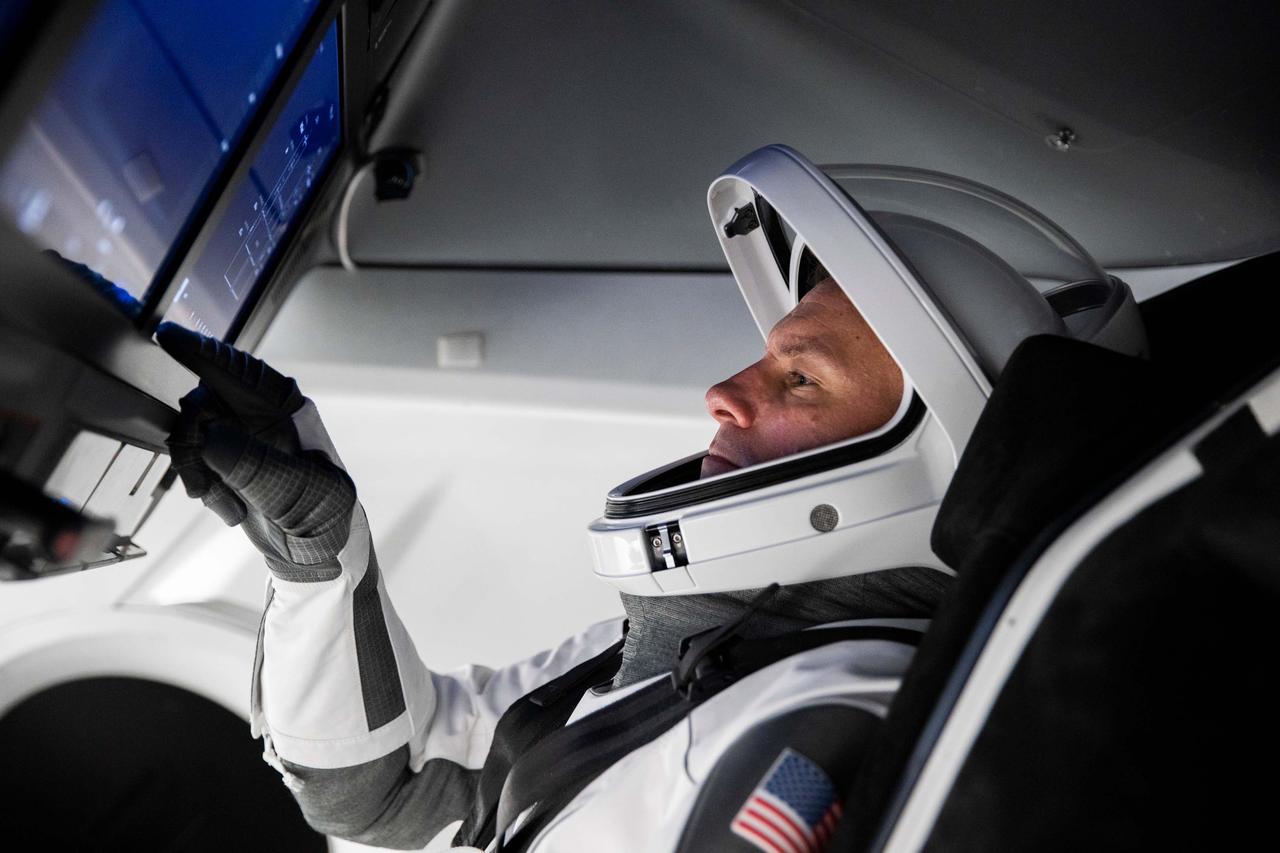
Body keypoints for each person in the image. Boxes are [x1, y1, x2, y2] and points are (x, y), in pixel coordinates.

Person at [158, 145, 1145, 851]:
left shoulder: (830, 726)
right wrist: (321, 563)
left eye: (797, 379)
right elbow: (391, 791)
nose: (725, 392)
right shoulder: (702, 648)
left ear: (927, 456)